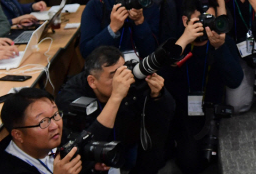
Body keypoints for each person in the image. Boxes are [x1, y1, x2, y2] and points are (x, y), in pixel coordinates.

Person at [56, 46, 175, 174]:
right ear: (92, 81)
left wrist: (158, 95)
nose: (122, 79)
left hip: (127, 141)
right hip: (96, 154)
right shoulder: (71, 99)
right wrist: (116, 96)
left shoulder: (131, 77)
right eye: (113, 75)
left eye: (122, 71)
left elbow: (169, 110)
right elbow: (81, 143)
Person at [160, 0, 243, 173]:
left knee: (225, 158)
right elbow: (159, 79)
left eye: (209, 19)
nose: (206, 25)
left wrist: (219, 48)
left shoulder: (222, 41)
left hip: (212, 109)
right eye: (199, 20)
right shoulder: (174, 41)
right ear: (185, 21)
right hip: (181, 110)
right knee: (189, 162)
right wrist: (183, 42)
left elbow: (235, 80)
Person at [0, 88, 83, 174]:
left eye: (56, 114)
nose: (54, 126)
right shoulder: (7, 169)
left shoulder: (57, 137)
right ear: (18, 135)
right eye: (43, 121)